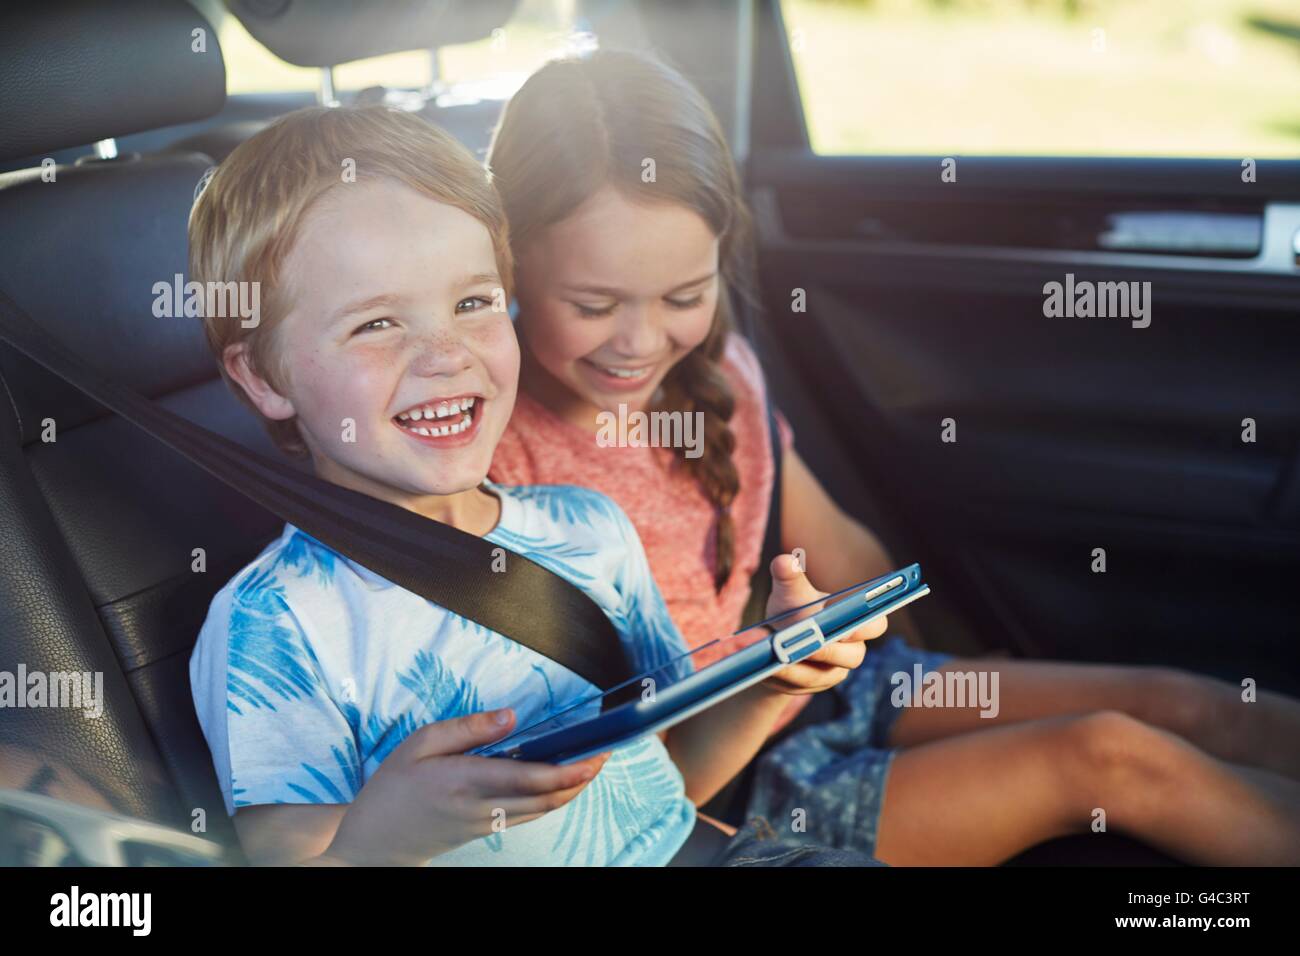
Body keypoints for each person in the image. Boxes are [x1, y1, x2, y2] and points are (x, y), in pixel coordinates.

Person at [487, 50, 1300, 865]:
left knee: (1182, 705)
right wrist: (785, 685)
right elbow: (627, 806)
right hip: (722, 791)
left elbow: (839, 552)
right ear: (505, 263)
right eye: (593, 305)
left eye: (684, 297)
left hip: (826, 690)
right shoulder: (487, 463)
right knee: (1111, 757)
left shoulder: (718, 375)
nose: (638, 342)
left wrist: (945, 671)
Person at [186, 104, 887, 867]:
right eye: (377, 324)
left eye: (472, 303)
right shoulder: (276, 623)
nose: (445, 356)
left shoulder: (589, 529)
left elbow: (668, 786)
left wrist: (774, 679)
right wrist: (381, 841)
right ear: (261, 376)